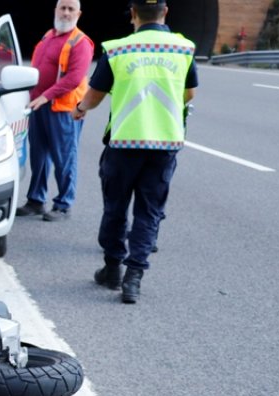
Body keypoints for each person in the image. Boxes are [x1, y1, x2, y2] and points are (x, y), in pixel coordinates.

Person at [73, 0, 197, 303]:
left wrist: (79, 109)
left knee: (115, 207)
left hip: (124, 144)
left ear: (133, 14)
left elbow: (94, 95)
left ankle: (112, 268)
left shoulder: (118, 49)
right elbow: (189, 92)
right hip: (164, 144)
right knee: (149, 211)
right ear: (165, 13)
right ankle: (134, 278)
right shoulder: (183, 49)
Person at [17, 0, 93, 222]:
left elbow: (74, 78)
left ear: (79, 13)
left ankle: (63, 204)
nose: (66, 13)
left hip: (64, 109)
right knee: (39, 156)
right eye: (63, 8)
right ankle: (36, 200)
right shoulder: (48, 37)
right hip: (39, 106)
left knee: (64, 157)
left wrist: (45, 96)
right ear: (55, 10)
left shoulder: (81, 42)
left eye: (71, 9)